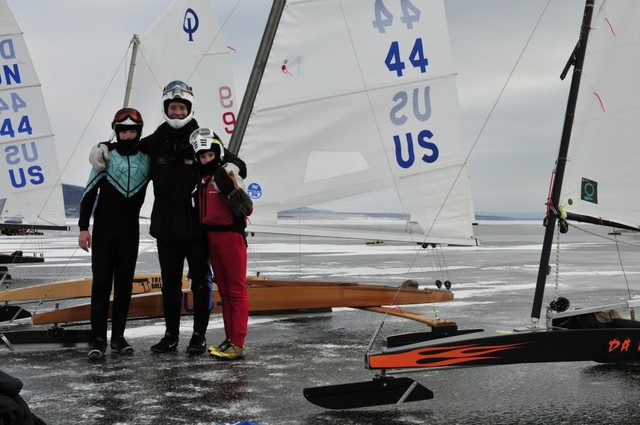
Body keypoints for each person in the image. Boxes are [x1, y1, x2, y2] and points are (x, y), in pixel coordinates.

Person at [89, 81, 247, 355]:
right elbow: (127, 145)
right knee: (170, 284)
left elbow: (236, 163)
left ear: (189, 108)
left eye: (181, 107)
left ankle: (198, 335)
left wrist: (232, 166)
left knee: (200, 282)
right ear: (165, 109)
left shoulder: (203, 137)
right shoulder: (154, 141)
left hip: (196, 226)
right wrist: (102, 146)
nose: (176, 112)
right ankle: (171, 336)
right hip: (164, 226)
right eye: (172, 107)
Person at [79, 107, 150, 360]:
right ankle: (98, 339)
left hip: (129, 232)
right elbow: (88, 194)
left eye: (132, 131)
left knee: (123, 286)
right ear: (116, 131)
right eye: (123, 131)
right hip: (104, 231)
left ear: (139, 131)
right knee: (100, 286)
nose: (128, 135)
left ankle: (118, 337)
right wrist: (83, 228)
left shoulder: (147, 157)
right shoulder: (105, 156)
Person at [190, 128, 253, 360]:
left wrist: (233, 188)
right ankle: (230, 339)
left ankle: (238, 342)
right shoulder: (204, 179)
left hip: (231, 237)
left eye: (210, 155)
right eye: (202, 157)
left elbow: (247, 209)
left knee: (236, 291)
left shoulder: (226, 174)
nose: (207, 160)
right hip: (213, 238)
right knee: (225, 292)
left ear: (217, 153)